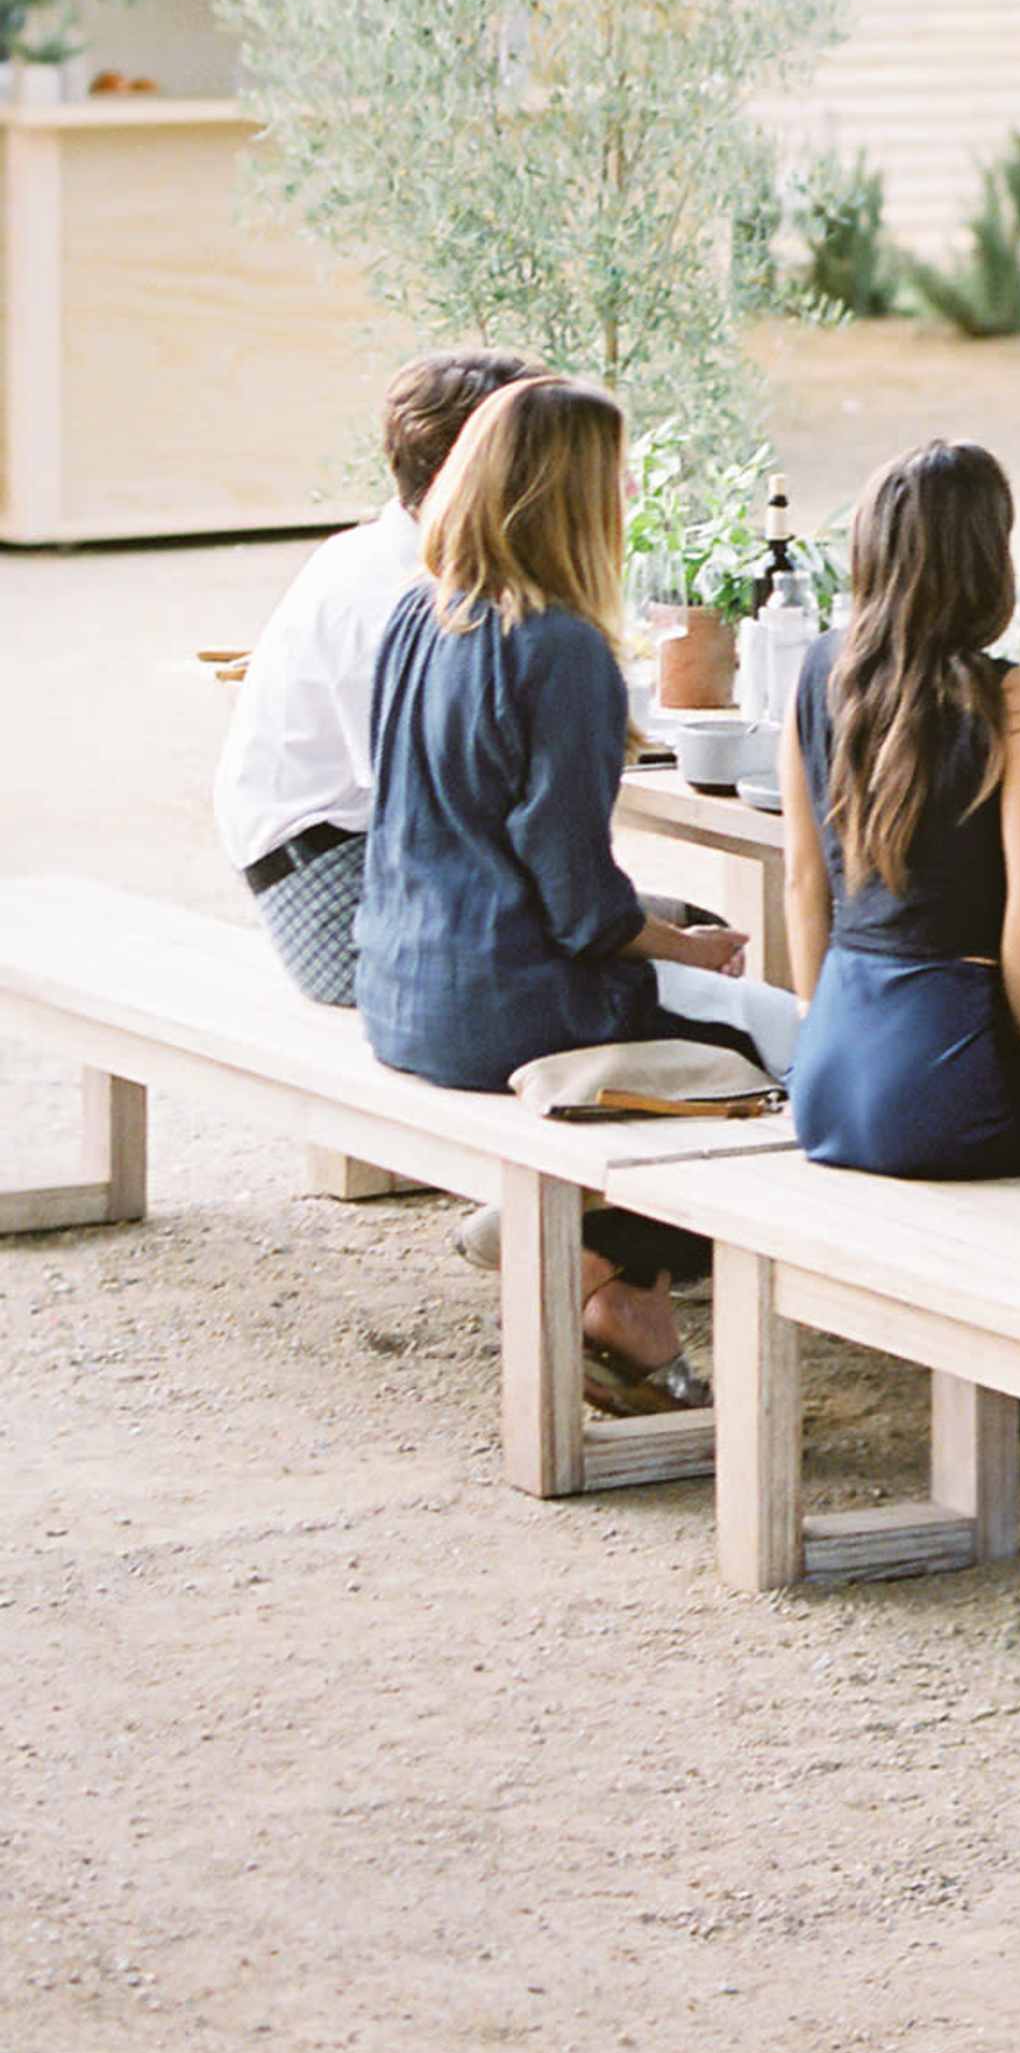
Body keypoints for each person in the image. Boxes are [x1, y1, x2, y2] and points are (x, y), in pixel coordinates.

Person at [354, 372, 794, 1411]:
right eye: (620, 475)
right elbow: (580, 910)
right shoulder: (563, 653)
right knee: (791, 1043)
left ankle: (588, 1255)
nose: (633, 493)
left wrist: (661, 924)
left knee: (735, 1017)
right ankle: (619, 1280)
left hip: (403, 990)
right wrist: (682, 947)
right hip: (509, 1009)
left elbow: (478, 840)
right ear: (572, 496)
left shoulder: (420, 617)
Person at [783, 442, 1020, 1186]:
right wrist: (999, 1048)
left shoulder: (820, 668)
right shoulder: (1014, 697)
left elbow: (801, 879)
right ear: (988, 558)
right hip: (943, 1071)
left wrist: (824, 1026)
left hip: (824, 1077)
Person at [216, 345, 539, 1000]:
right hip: (333, 899)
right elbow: (436, 810)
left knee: (642, 929)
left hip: (360, 859)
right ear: (484, 470)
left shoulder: (386, 554)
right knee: (646, 959)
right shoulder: (397, 597)